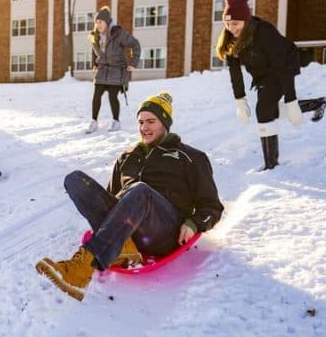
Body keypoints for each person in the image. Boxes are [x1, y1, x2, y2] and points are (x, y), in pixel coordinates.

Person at [36, 92, 223, 301]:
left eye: (151, 121)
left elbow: (212, 206)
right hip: (128, 226)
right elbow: (110, 197)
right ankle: (124, 248)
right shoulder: (127, 156)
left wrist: (194, 224)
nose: (144, 127)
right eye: (141, 122)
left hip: (163, 231)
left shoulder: (191, 157)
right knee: (75, 180)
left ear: (165, 123)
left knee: (140, 190)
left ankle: (80, 270)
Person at [216, 0, 326, 171]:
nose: (232, 28)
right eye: (228, 23)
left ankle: (271, 164)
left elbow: (282, 66)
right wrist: (240, 100)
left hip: (284, 65)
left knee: (263, 109)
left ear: (246, 20)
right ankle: (316, 104)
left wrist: (291, 100)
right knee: (267, 110)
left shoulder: (263, 32)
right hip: (263, 73)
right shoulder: (230, 39)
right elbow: (235, 72)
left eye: (236, 23)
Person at [85, 6, 140, 134]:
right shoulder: (95, 36)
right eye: (96, 22)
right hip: (103, 69)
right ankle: (93, 121)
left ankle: (116, 121)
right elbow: (94, 51)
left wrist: (133, 63)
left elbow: (135, 44)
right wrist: (94, 63)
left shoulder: (118, 33)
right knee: (96, 95)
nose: (98, 25)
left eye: (100, 22)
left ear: (107, 22)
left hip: (117, 70)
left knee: (112, 96)